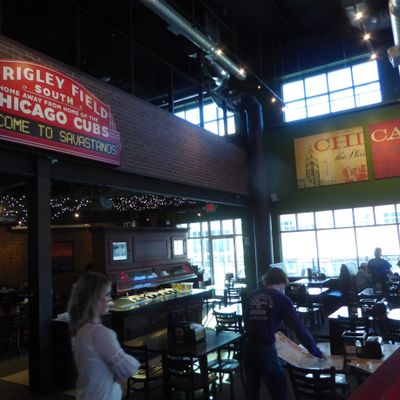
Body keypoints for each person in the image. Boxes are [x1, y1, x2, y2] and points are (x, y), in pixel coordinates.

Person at [243, 267, 324, 400]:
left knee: (252, 388)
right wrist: (315, 351)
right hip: (265, 348)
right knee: (278, 387)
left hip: (248, 346)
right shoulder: (281, 298)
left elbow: (248, 320)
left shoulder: (252, 295)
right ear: (283, 283)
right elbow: (298, 328)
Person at [67, 272, 139, 400]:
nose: (109, 298)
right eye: (106, 294)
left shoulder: (80, 328)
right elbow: (129, 368)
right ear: (93, 298)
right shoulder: (98, 333)